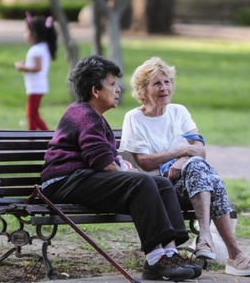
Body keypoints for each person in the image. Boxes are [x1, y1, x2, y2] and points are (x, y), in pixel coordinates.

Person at [40, 55, 202, 281]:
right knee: (142, 182)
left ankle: (170, 253)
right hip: (63, 182)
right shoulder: (85, 114)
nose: (118, 90)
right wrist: (132, 175)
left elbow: (106, 161)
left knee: (162, 184)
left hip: (81, 178)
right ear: (96, 90)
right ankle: (156, 260)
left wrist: (130, 174)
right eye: (112, 84)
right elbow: (103, 163)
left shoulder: (93, 115)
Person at [119, 57, 250, 277]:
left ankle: (205, 236)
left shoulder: (179, 112)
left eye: (167, 82)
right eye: (156, 83)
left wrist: (181, 161)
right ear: (142, 90)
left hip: (189, 184)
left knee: (199, 169)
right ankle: (233, 253)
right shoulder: (134, 118)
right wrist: (181, 152)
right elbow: (144, 162)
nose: (164, 88)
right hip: (158, 190)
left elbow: (199, 148)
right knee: (209, 178)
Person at [15, 12, 57, 130]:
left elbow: (38, 68)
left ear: (34, 33)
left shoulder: (36, 50)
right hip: (38, 85)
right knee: (32, 113)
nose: (24, 35)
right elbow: (37, 65)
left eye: (26, 32)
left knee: (31, 114)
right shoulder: (43, 47)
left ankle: (50, 137)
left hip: (36, 86)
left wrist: (22, 67)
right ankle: (31, 139)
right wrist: (26, 64)